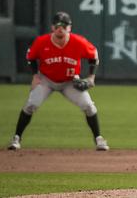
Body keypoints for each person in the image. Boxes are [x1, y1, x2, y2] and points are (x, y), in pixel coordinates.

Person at [7, 11, 109, 151]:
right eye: (57, 25)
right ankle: (16, 138)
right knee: (31, 105)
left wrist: (91, 77)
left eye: (64, 25)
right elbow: (30, 57)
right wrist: (36, 76)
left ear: (69, 28)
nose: (60, 28)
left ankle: (99, 139)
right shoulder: (42, 42)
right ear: (52, 27)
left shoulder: (78, 42)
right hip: (46, 80)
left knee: (89, 106)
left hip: (70, 82)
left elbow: (94, 55)